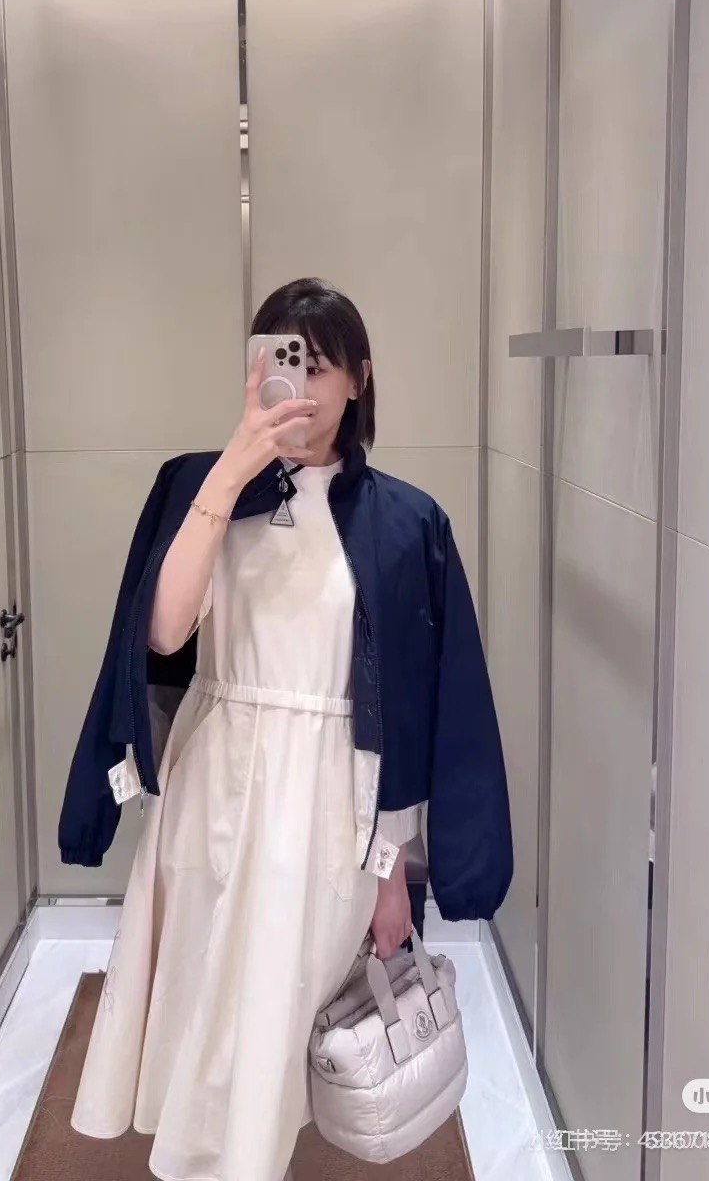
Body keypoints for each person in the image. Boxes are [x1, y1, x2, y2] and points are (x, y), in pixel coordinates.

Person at [58, 278, 513, 1181]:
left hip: (327, 807)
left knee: (278, 1021)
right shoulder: (197, 485)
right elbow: (163, 633)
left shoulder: (406, 523)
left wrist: (393, 876)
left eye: (321, 367)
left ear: (360, 380)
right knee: (200, 1006)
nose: (298, 388)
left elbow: (416, 713)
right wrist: (232, 469)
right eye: (280, 361)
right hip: (215, 786)